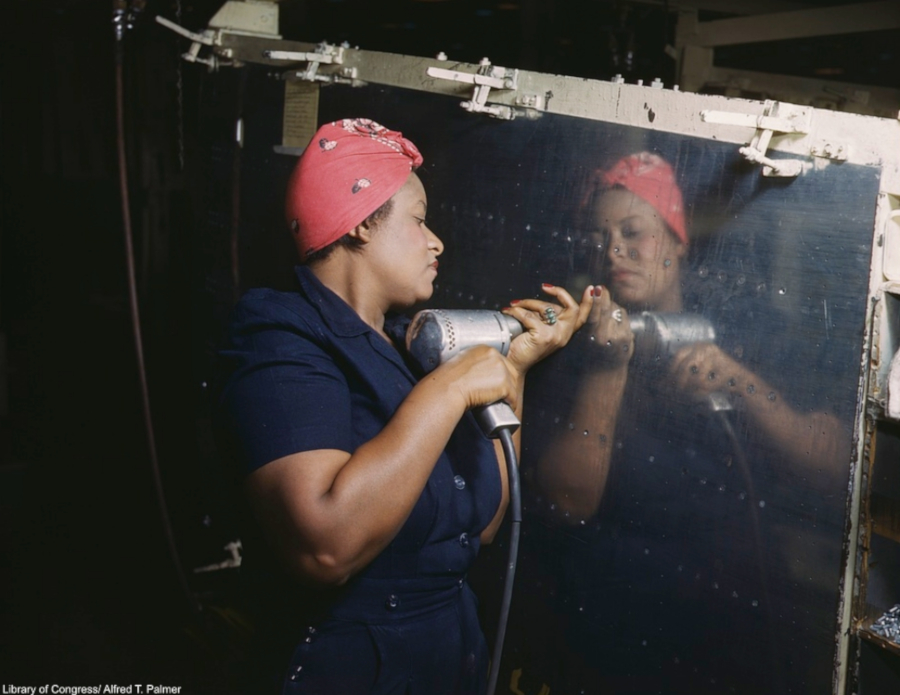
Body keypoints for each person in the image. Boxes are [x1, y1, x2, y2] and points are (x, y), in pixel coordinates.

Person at [214, 117, 594, 695]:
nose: (436, 240)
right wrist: (449, 389)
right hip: (350, 670)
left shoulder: (403, 346)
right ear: (363, 223)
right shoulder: (279, 334)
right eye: (418, 219)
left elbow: (485, 526)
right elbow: (323, 547)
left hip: (449, 654)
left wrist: (512, 368)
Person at [518, 151, 853, 694]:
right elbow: (565, 500)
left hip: (737, 628)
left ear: (677, 240)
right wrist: (607, 368)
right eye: (598, 236)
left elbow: (836, 466)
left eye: (634, 231)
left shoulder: (746, 325)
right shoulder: (571, 348)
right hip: (615, 631)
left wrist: (740, 384)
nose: (613, 251)